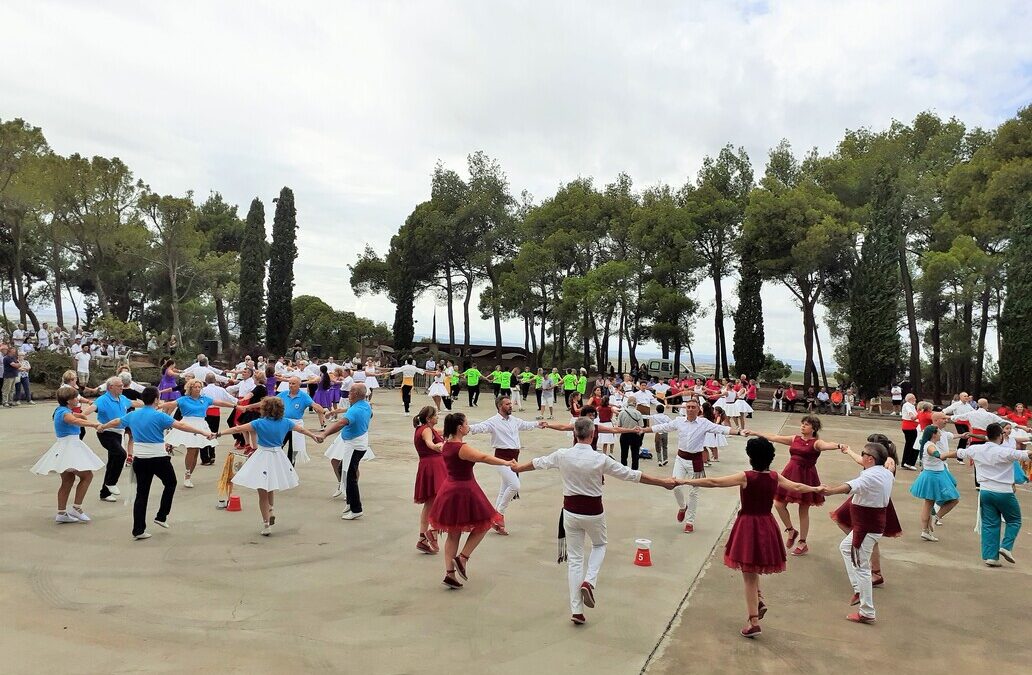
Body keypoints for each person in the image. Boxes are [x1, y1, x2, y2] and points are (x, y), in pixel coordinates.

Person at [513, 417, 676, 624]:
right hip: (593, 511)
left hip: (570, 512)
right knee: (599, 545)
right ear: (592, 435)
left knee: (575, 559)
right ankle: (589, 581)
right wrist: (662, 482)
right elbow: (632, 475)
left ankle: (577, 610)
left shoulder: (562, 455)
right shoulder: (600, 459)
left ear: (574, 434)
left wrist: (518, 468)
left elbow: (537, 463)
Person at [677, 437, 824, 637]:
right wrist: (816, 488)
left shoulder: (747, 476)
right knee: (753, 568)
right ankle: (759, 599)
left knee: (748, 573)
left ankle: (753, 620)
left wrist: (684, 480)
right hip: (767, 523)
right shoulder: (774, 476)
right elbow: (797, 487)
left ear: (750, 456)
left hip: (748, 524)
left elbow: (714, 482)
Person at [112, 386, 214, 540]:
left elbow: (117, 421)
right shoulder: (159, 416)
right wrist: (204, 432)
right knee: (171, 482)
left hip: (140, 459)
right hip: (158, 458)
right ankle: (161, 515)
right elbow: (182, 425)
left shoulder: (133, 414)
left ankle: (138, 529)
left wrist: (102, 426)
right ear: (156, 400)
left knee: (142, 494)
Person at [429, 412, 516, 589]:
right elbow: (483, 457)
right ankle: (462, 558)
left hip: (449, 489)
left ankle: (450, 574)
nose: (468, 426)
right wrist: (506, 462)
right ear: (460, 428)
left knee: (454, 534)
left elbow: (437, 446)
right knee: (486, 523)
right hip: (465, 489)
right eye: (467, 424)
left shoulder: (446, 445)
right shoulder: (462, 448)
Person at [745, 416, 848, 556]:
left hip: (807, 477)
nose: (802, 427)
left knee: (803, 510)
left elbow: (826, 445)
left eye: (806, 425)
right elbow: (775, 437)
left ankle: (803, 542)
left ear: (813, 428)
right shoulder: (795, 439)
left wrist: (839, 445)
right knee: (778, 504)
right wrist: (755, 433)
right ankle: (791, 530)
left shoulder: (816, 443)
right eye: (802, 424)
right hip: (789, 473)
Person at [219, 397, 321, 535]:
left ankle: (266, 524)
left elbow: (237, 428)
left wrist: (218, 433)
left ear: (264, 409)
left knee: (262, 491)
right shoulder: (286, 422)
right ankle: (271, 509)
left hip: (262, 455)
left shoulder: (259, 423)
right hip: (278, 455)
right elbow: (301, 430)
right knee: (271, 484)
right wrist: (313, 435)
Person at [823, 441, 895, 624]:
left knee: (862, 568)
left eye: (863, 454)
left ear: (870, 459)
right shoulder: (886, 473)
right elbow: (860, 466)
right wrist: (849, 451)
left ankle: (867, 611)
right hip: (871, 525)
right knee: (845, 548)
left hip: (866, 528)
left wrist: (828, 491)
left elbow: (848, 487)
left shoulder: (869, 477)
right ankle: (858, 589)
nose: (861, 457)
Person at [643, 398, 740, 533]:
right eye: (688, 407)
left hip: (696, 461)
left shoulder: (704, 423)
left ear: (698, 408)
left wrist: (740, 432)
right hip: (681, 459)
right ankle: (683, 507)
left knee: (694, 492)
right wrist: (644, 430)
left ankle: (690, 521)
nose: (690, 409)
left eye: (693, 407)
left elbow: (721, 429)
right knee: (675, 486)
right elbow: (662, 427)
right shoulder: (678, 421)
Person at [948, 424, 1032, 566]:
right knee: (1014, 520)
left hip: (985, 491)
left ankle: (991, 557)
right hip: (1004, 492)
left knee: (989, 524)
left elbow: (959, 453)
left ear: (988, 435)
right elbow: (1026, 454)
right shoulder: (1006, 451)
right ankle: (1006, 546)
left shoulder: (976, 449)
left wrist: (942, 455)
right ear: (1000, 436)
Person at [829, 433, 902, 588]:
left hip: (873, 502)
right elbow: (859, 460)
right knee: (840, 518)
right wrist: (848, 451)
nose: (864, 452)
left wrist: (830, 490)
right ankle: (862, 547)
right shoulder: (874, 461)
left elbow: (884, 476)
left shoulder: (887, 462)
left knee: (869, 536)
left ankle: (875, 572)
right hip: (863, 496)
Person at [30, 385, 112, 523]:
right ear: (68, 401)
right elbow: (73, 420)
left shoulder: (61, 410)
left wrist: (81, 414)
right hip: (70, 446)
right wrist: (94, 425)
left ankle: (62, 512)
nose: (77, 399)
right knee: (87, 476)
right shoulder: (64, 413)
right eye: (75, 397)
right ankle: (76, 508)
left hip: (65, 446)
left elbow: (75, 416)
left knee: (68, 480)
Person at [466, 395, 546, 535]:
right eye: (507, 404)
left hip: (514, 459)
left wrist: (538, 424)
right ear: (500, 406)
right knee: (514, 485)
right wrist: (463, 429)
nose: (511, 406)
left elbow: (526, 425)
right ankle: (499, 514)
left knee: (504, 489)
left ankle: (494, 519)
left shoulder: (514, 420)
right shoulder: (493, 421)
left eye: (511, 403)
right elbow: (479, 427)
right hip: (501, 459)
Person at [161, 378, 236, 489]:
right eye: (195, 387)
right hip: (187, 423)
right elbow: (171, 404)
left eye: (199, 387)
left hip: (201, 424)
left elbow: (219, 402)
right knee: (191, 450)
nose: (197, 389)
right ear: (190, 388)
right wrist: (157, 406)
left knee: (196, 451)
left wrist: (234, 405)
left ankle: (189, 474)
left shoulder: (204, 399)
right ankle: (187, 475)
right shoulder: (183, 399)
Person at [319, 383, 373, 519]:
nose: (348, 394)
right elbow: (370, 415)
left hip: (354, 445)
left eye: (350, 392)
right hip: (358, 442)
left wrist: (325, 434)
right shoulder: (365, 405)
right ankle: (350, 502)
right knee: (344, 468)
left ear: (355, 394)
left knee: (350, 477)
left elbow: (340, 423)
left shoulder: (355, 410)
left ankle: (356, 509)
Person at [93, 376, 144, 502]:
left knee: (112, 462)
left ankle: (104, 493)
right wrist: (80, 417)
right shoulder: (103, 400)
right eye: (119, 386)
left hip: (118, 433)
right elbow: (91, 408)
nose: (122, 387)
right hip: (106, 432)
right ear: (111, 387)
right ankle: (111, 482)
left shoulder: (122, 398)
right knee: (121, 454)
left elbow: (135, 403)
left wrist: (150, 404)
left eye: (122, 385)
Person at [909, 426, 961, 542]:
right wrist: (958, 453)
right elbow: (939, 455)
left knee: (929, 503)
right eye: (938, 432)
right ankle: (935, 518)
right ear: (933, 434)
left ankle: (925, 531)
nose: (941, 434)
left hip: (933, 474)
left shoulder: (928, 444)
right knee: (954, 499)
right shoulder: (930, 446)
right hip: (935, 476)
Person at [412, 406, 446, 553]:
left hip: (429, 466)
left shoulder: (428, 429)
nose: (437, 417)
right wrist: (436, 447)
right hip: (433, 467)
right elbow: (429, 442)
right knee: (438, 500)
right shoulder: (426, 430)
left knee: (430, 502)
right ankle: (432, 532)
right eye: (435, 415)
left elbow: (442, 433)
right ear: (428, 418)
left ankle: (423, 537)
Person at [201, 372, 238, 465]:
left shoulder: (203, 390)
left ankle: (205, 458)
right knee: (213, 433)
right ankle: (212, 454)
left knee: (204, 434)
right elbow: (230, 398)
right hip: (216, 413)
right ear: (215, 380)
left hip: (205, 413)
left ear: (205, 380)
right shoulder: (220, 390)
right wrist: (238, 402)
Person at [616, 395, 645, 470]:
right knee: (635, 455)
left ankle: (624, 469)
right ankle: (634, 471)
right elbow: (641, 426)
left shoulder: (622, 413)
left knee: (624, 454)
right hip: (635, 435)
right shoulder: (638, 413)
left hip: (624, 434)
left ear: (627, 403)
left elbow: (619, 425)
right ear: (635, 404)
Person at [900, 394, 919, 469]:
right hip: (909, 427)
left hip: (911, 426)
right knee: (911, 444)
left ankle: (906, 462)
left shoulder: (911, 406)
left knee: (910, 444)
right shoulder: (907, 405)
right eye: (914, 398)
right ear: (911, 399)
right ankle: (908, 462)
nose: (915, 399)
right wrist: (914, 416)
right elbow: (911, 414)